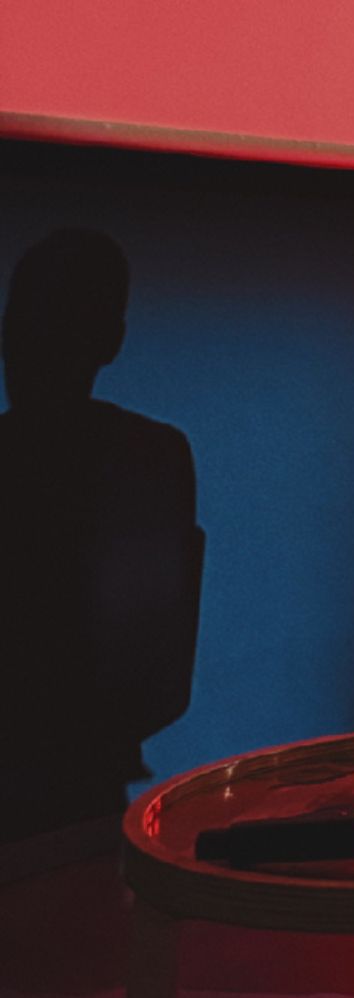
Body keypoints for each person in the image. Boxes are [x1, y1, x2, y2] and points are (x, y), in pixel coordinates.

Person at [0, 228, 200, 844]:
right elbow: (162, 677)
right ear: (110, 341)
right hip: (91, 794)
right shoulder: (153, 459)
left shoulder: (148, 461)